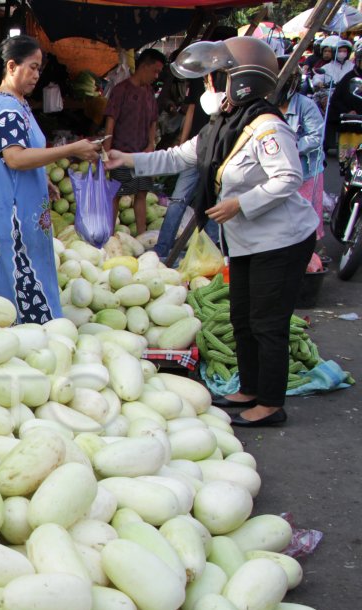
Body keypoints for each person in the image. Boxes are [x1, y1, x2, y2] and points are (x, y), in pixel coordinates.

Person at [107, 37, 319, 427]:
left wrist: (241, 203)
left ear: (244, 83)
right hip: (245, 241)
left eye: (219, 79)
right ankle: (250, 388)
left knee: (267, 322)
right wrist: (128, 159)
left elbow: (289, 176)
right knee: (242, 316)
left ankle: (271, 404)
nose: (211, 88)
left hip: (281, 240)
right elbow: (177, 156)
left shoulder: (268, 126)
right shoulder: (223, 126)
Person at [0, 35, 101, 323]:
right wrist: (72, 149)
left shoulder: (16, 103)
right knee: (21, 292)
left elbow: (18, 155)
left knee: (24, 288)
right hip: (11, 219)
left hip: (16, 212)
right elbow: (15, 158)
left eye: (39, 68)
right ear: (11, 67)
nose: (36, 75)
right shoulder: (7, 109)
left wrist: (41, 179)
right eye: (32, 67)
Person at [155, 27, 236, 262]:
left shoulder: (232, 77)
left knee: (211, 203)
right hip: (197, 146)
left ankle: (207, 257)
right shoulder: (204, 73)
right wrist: (181, 144)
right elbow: (192, 108)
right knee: (183, 200)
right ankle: (163, 250)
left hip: (219, 151)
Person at [103, 49, 167, 235]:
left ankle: (141, 235)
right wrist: (106, 153)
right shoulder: (121, 90)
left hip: (143, 153)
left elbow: (153, 121)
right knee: (116, 194)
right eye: (155, 71)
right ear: (144, 66)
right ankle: (108, 235)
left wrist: (151, 144)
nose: (156, 76)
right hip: (121, 153)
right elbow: (110, 121)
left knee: (141, 194)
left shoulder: (149, 92)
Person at [277, 56, 327, 239]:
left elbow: (316, 136)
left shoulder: (306, 105)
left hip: (306, 172)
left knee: (307, 220)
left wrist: (292, 147)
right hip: (278, 172)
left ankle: (311, 254)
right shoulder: (266, 106)